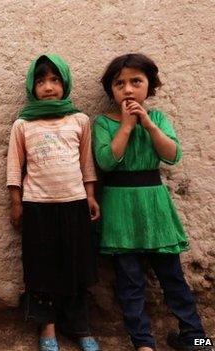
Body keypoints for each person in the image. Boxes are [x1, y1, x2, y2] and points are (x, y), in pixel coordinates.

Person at [93, 53, 212, 351]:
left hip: (155, 208)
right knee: (130, 283)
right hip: (120, 209)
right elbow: (106, 161)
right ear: (111, 90)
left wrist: (147, 124)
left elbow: (172, 155)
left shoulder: (157, 119)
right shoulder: (103, 124)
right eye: (120, 84)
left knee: (173, 279)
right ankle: (143, 344)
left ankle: (196, 338)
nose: (128, 89)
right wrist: (127, 127)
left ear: (150, 85)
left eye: (136, 81)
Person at [6, 54, 100, 351]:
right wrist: (16, 202)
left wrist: (91, 195)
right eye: (41, 81)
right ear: (32, 87)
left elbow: (87, 162)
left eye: (55, 80)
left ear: (65, 84)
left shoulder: (80, 120)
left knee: (77, 267)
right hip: (38, 206)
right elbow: (14, 167)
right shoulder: (23, 124)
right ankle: (48, 328)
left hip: (74, 204)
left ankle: (80, 326)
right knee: (41, 268)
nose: (48, 87)